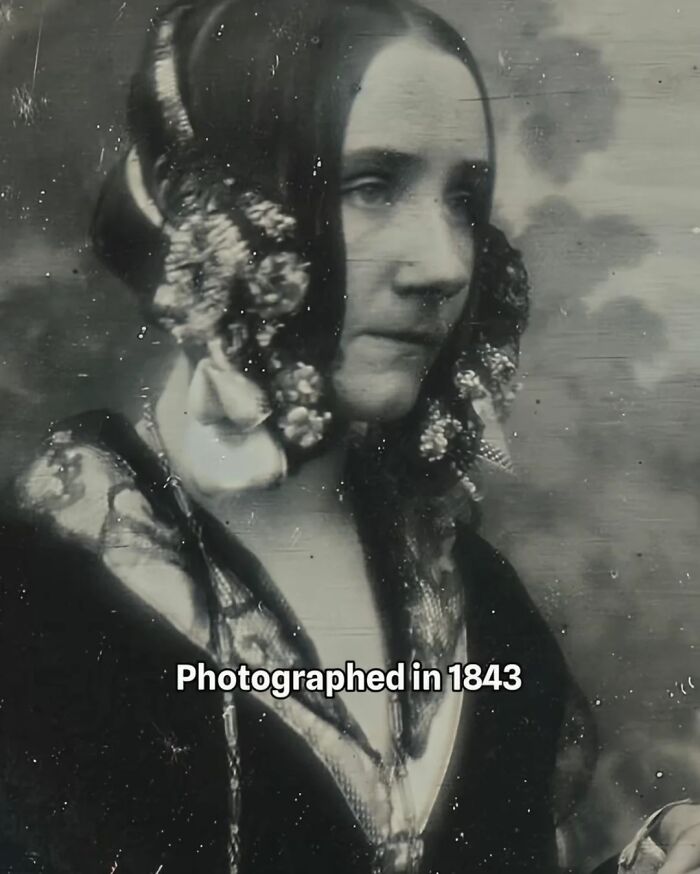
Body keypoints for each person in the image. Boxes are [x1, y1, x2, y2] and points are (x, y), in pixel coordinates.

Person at [0, 0, 697, 872]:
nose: (443, 264)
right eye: (371, 185)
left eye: (464, 201)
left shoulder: (480, 602)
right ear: (214, 202)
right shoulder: (36, 602)